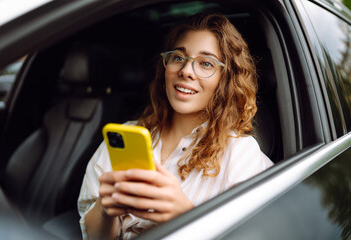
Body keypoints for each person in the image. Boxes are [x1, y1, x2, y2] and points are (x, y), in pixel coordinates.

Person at [78, 13, 273, 239]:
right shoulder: (126, 136)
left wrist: (185, 215)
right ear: (165, 68)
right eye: (178, 57)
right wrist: (105, 209)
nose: (186, 71)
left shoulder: (240, 154)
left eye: (206, 63)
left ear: (225, 79)